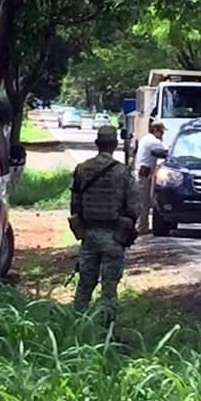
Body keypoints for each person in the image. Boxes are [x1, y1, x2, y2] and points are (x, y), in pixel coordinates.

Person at [70, 125, 139, 323]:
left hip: (89, 235)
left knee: (84, 285)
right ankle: (106, 328)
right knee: (109, 288)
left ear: (97, 143)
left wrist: (82, 228)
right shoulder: (122, 172)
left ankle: (76, 325)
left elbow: (75, 204)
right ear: (115, 144)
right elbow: (133, 206)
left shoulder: (82, 169)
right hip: (114, 236)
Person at [134, 119, 166, 235]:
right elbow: (165, 153)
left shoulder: (145, 138)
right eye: (161, 131)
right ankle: (141, 227)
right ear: (155, 130)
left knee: (143, 201)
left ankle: (143, 225)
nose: (162, 134)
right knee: (144, 202)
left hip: (142, 172)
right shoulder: (154, 142)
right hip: (144, 173)